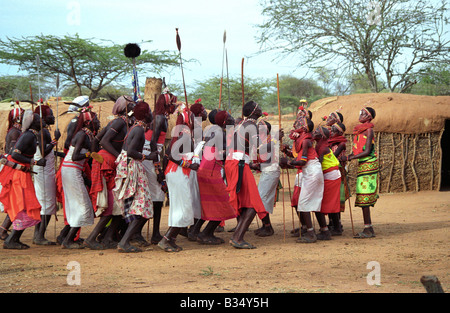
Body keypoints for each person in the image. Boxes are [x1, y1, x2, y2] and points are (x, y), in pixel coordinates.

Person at [86, 95, 135, 249]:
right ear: (126, 108)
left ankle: (107, 238)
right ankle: (91, 238)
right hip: (109, 163)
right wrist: (118, 157)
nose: (134, 107)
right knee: (113, 202)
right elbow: (104, 141)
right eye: (132, 105)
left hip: (108, 162)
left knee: (118, 204)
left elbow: (96, 140)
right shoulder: (120, 122)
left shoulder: (119, 122)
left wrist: (95, 157)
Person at [113, 101, 158, 253]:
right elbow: (131, 151)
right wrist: (148, 156)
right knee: (141, 206)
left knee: (140, 206)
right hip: (133, 167)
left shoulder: (136, 128)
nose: (152, 114)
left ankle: (125, 240)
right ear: (146, 115)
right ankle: (124, 241)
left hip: (131, 166)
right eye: (150, 111)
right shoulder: (138, 130)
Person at [0, 111, 46, 249]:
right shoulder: (28, 135)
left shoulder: (31, 135)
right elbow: (15, 154)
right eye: (39, 119)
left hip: (21, 174)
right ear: (33, 123)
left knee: (25, 205)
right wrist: (35, 162)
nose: (42, 121)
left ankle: (14, 238)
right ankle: (11, 240)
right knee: (24, 206)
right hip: (18, 175)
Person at [225, 100, 268, 249]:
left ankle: (237, 235)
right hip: (239, 164)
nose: (261, 108)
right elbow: (260, 148)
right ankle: (237, 237)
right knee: (254, 202)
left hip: (235, 162)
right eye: (259, 106)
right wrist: (275, 140)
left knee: (247, 202)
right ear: (254, 110)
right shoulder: (251, 125)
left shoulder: (242, 125)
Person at [158, 104, 200, 252]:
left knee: (182, 206)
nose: (197, 120)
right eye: (194, 118)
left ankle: (172, 239)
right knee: (183, 207)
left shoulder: (185, 134)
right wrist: (188, 165)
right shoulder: (184, 135)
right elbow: (170, 155)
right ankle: (167, 239)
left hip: (177, 173)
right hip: (178, 172)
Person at [192, 110, 237, 244]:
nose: (232, 119)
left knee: (208, 203)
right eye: (229, 118)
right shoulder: (220, 134)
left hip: (204, 168)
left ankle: (195, 231)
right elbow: (226, 152)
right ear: (224, 121)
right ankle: (206, 234)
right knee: (223, 203)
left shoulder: (211, 130)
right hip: (211, 170)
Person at [60, 110, 100, 249]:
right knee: (82, 205)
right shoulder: (82, 135)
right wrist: (90, 154)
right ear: (88, 122)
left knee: (79, 204)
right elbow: (75, 156)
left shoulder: (87, 135)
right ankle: (68, 240)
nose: (98, 122)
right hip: (71, 170)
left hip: (73, 170)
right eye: (96, 120)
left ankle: (69, 237)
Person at [281, 116, 323, 243]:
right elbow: (299, 158)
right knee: (310, 202)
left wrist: (288, 162)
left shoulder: (305, 141)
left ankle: (310, 233)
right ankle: (321, 230)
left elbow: (303, 161)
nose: (294, 126)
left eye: (297, 124)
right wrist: (288, 157)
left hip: (311, 171)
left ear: (303, 128)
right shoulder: (301, 140)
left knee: (303, 203)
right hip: (309, 171)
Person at [343, 106, 378, 238]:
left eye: (364, 113)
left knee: (365, 196)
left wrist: (349, 157)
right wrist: (348, 157)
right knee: (363, 196)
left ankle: (368, 229)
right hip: (364, 164)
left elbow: (367, 151)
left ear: (369, 117)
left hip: (369, 164)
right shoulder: (359, 131)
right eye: (360, 112)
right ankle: (368, 228)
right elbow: (358, 150)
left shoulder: (369, 130)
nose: (361, 114)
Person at [32, 105, 61, 245]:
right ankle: (39, 236)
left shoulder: (43, 131)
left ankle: (38, 235)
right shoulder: (43, 132)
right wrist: (55, 140)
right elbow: (44, 151)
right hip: (43, 172)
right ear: (43, 118)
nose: (53, 117)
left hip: (44, 171)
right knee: (47, 203)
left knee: (45, 203)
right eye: (50, 115)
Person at [312, 126, 341, 240]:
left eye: (316, 132)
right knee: (328, 202)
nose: (314, 133)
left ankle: (328, 230)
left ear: (322, 136)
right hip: (330, 174)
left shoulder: (323, 147)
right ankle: (336, 227)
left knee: (324, 202)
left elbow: (318, 162)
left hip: (331, 175)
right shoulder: (320, 145)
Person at [254, 120, 282, 237]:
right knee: (262, 199)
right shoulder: (260, 140)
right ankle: (266, 226)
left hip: (271, 170)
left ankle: (268, 227)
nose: (258, 128)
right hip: (267, 171)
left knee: (261, 199)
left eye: (261, 126)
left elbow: (266, 153)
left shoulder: (271, 140)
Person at [0, 106, 24, 240]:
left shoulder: (16, 131)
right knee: (16, 200)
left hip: (13, 167)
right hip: (13, 168)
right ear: (18, 118)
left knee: (15, 200)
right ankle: (3, 230)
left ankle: (3, 229)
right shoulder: (15, 132)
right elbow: (14, 154)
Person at [328, 122, 349, 235]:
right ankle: (332, 223)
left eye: (334, 130)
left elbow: (332, 157)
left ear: (339, 132)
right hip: (332, 171)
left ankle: (337, 225)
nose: (331, 131)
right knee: (331, 197)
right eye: (331, 129)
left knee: (337, 198)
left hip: (338, 171)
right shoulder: (330, 142)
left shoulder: (341, 144)